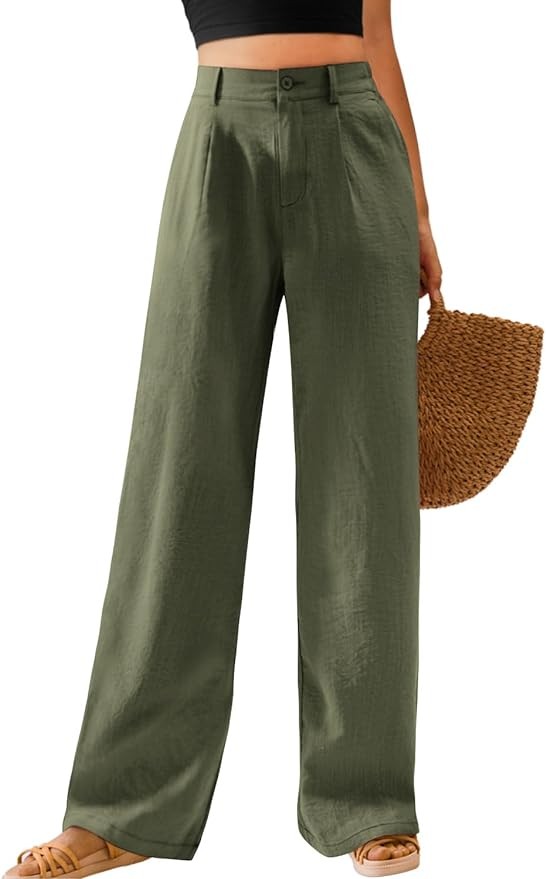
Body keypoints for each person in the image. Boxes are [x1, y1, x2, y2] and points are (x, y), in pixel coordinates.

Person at [3, 1, 443, 877]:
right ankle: (120, 808)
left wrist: (421, 213)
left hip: (356, 136)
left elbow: (379, 36)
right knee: (178, 470)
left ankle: (369, 801)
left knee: (364, 483)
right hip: (218, 137)